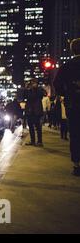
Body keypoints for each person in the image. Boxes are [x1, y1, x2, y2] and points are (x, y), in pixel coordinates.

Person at [54, 38, 80, 176]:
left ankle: (77, 164)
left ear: (72, 50)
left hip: (73, 104)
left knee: (75, 134)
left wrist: (66, 94)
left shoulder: (67, 66)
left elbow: (57, 84)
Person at [24, 79, 45, 147]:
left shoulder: (39, 90)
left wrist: (34, 89)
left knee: (38, 127)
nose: (33, 84)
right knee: (30, 127)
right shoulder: (28, 90)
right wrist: (26, 88)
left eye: (34, 83)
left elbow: (41, 95)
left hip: (37, 111)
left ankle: (39, 141)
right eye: (32, 83)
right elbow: (24, 97)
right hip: (30, 111)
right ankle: (33, 141)